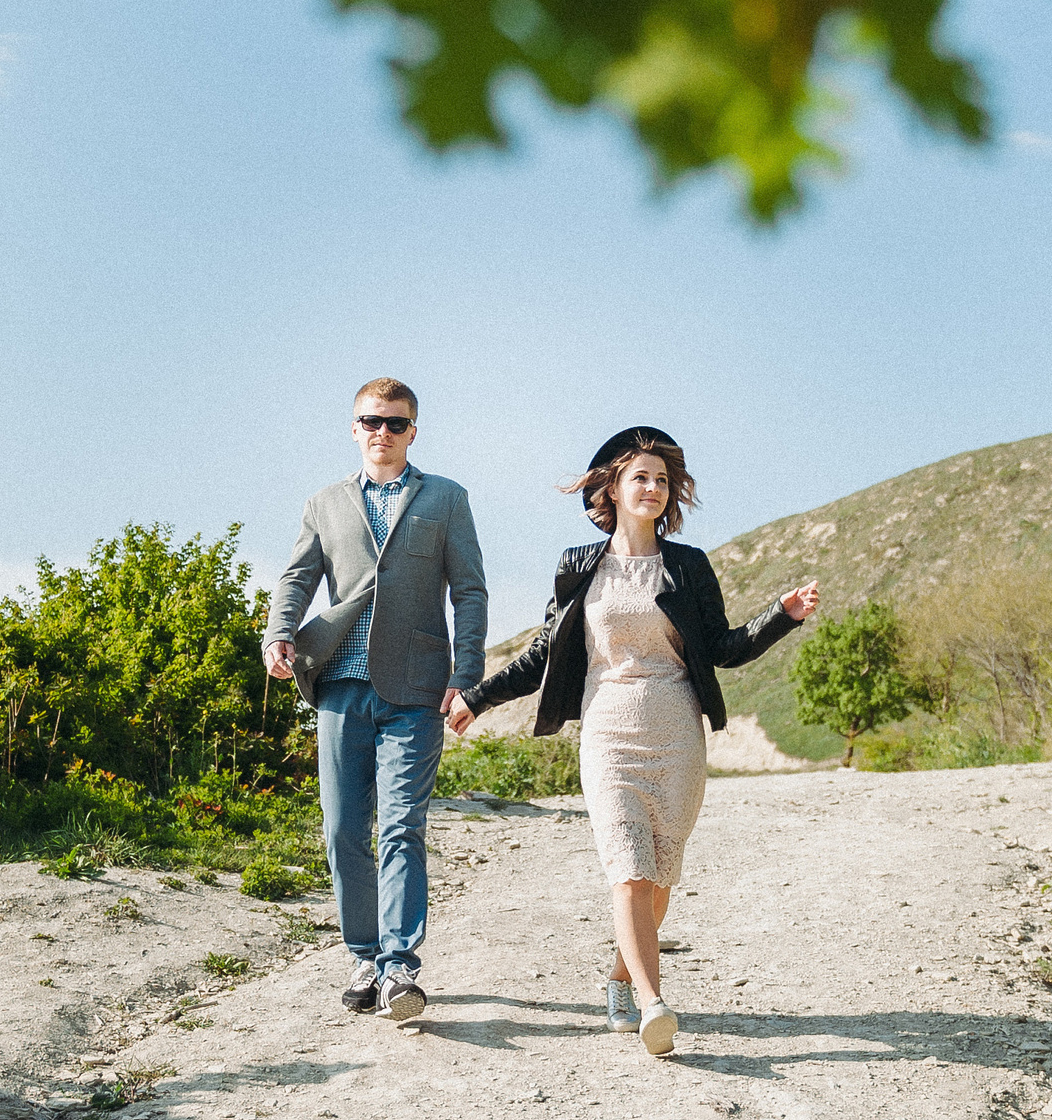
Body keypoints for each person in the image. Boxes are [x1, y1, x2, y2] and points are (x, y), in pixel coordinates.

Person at [447, 427, 817, 1055]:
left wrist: (779, 615)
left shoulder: (689, 566)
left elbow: (723, 649)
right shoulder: (577, 566)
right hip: (608, 729)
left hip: (677, 730)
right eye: (639, 477)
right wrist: (477, 698)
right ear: (612, 489)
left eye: (662, 480)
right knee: (628, 871)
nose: (652, 488)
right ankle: (653, 1003)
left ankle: (621, 979)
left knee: (661, 875)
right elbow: (544, 653)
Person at [266, 378, 488, 1021]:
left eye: (395, 424)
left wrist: (465, 673)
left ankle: (399, 968)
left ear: (413, 431)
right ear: (354, 427)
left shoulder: (446, 499)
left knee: (400, 827)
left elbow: (469, 592)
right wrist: (279, 634)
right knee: (341, 832)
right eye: (371, 422)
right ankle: (363, 954)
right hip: (339, 686)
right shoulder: (324, 504)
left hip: (415, 689)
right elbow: (297, 577)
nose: (381, 433)